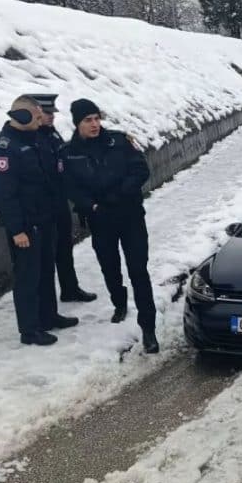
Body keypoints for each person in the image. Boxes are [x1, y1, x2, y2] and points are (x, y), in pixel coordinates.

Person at [60, 98, 159, 354]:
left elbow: (140, 170)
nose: (94, 124)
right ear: (77, 123)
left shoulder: (119, 141)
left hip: (129, 215)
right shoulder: (68, 153)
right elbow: (70, 187)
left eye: (96, 118)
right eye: (88, 120)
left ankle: (148, 328)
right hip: (100, 219)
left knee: (138, 271)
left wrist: (121, 193)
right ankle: (119, 302)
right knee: (110, 267)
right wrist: (91, 206)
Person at [0, 96, 79, 345]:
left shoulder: (35, 139)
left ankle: (48, 316)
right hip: (25, 225)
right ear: (23, 116)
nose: (42, 119)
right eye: (38, 115)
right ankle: (29, 330)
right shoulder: (6, 147)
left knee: (45, 270)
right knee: (28, 277)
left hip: (45, 219)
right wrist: (17, 229)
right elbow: (4, 194)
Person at [30, 94, 97, 303]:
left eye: (52, 113)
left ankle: (70, 288)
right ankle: (45, 304)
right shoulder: (32, 137)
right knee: (46, 256)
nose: (51, 116)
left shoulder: (51, 133)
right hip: (43, 205)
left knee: (64, 248)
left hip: (59, 201)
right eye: (47, 113)